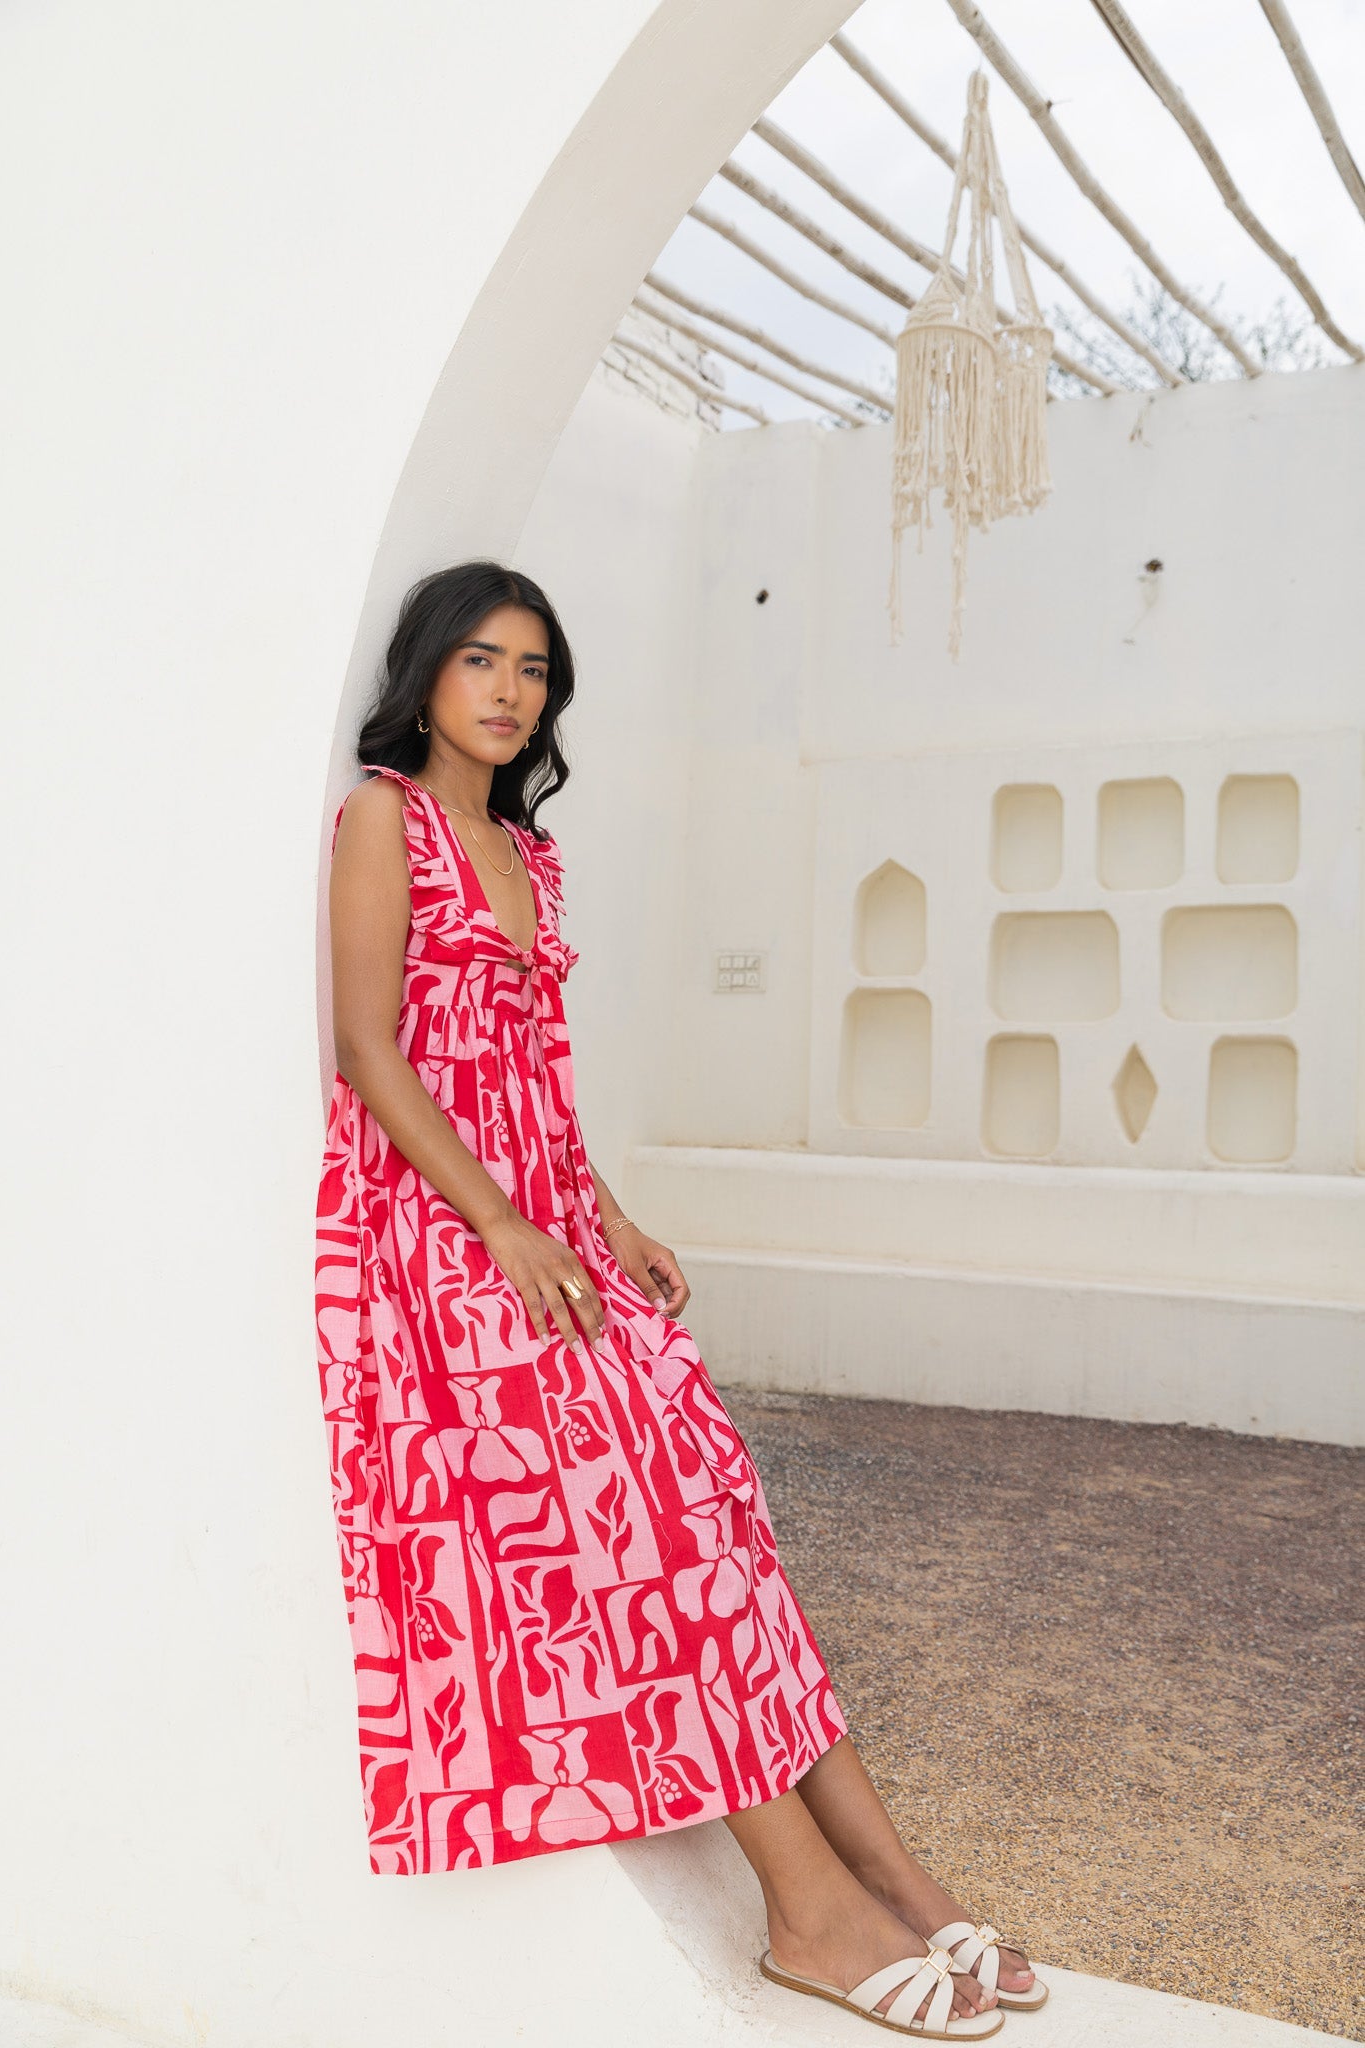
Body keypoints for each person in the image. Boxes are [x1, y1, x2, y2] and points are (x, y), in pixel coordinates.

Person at [314, 560, 1043, 2040]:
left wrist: (607, 1215)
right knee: (637, 1527)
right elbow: (370, 1052)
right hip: (437, 1237)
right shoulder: (383, 820)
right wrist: (509, 1225)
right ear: (425, 674)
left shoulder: (529, 854)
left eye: (533, 668)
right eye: (480, 659)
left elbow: (533, 1076)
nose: (509, 691)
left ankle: (891, 1876)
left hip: (548, 1224)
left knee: (712, 1502)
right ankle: (807, 1912)